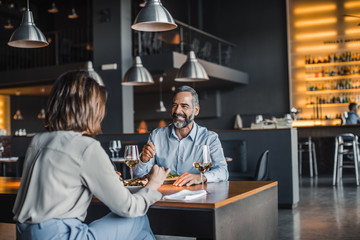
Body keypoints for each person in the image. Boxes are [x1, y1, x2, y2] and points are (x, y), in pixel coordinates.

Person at [13, 71, 170, 240]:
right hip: (62, 236)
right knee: (139, 218)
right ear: (92, 109)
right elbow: (128, 208)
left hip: (26, 234)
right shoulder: (86, 146)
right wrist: (153, 184)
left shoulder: (39, 140)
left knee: (140, 230)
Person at [134, 86, 228, 186]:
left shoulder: (209, 138)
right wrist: (144, 160)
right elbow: (138, 175)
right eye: (175, 105)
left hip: (196, 195)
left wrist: (201, 177)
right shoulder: (157, 135)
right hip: (163, 194)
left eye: (184, 106)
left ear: (196, 110)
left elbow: (223, 172)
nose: (177, 111)